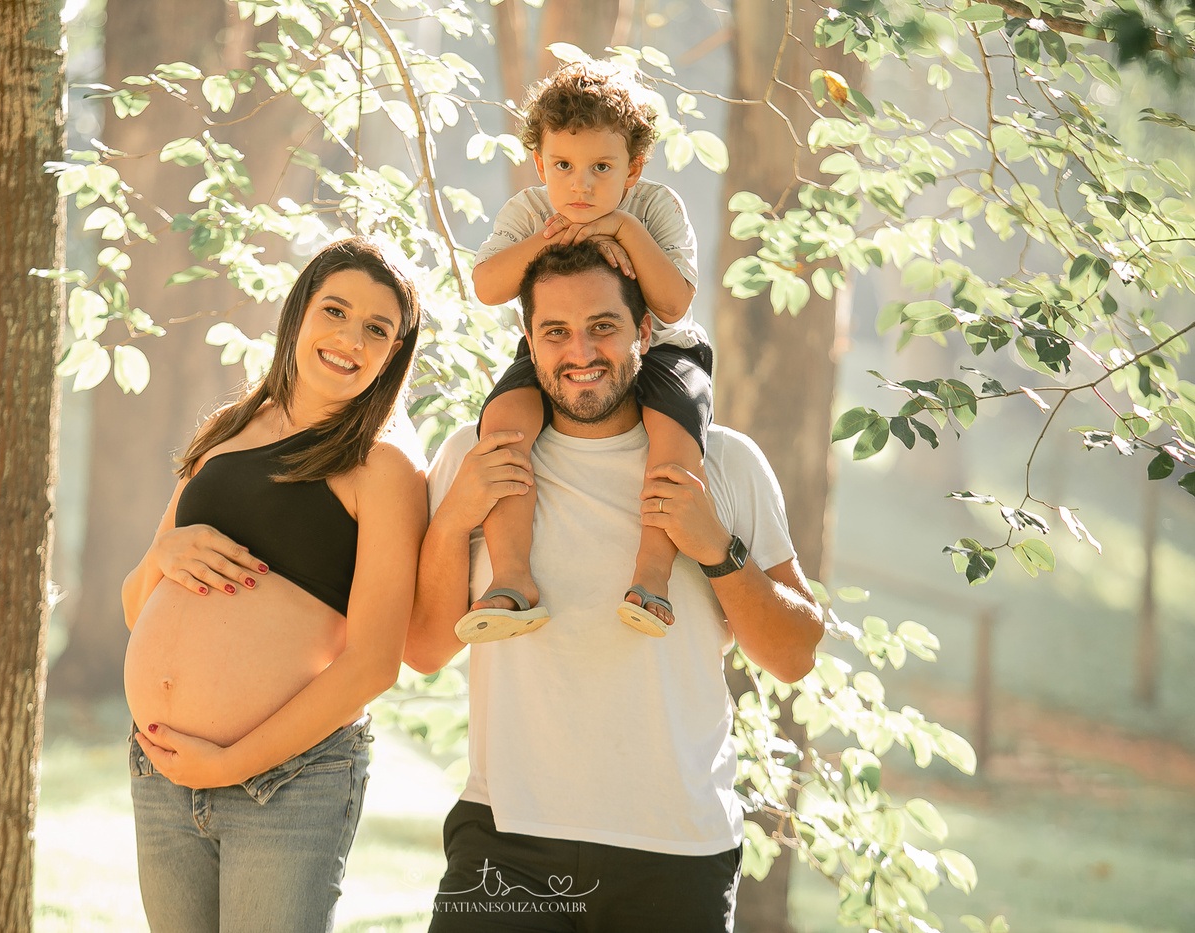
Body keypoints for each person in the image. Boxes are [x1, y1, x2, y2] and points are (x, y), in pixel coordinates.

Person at [406, 241, 824, 931]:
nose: (581, 352)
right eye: (555, 331)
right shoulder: (475, 456)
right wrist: (452, 517)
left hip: (675, 850)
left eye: (603, 326)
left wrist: (715, 548)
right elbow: (422, 650)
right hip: (506, 840)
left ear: (645, 331)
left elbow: (795, 654)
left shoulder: (724, 463)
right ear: (528, 341)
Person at [120, 236, 428, 933]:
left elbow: (375, 663)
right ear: (299, 314)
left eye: (377, 329)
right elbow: (137, 606)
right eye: (335, 311)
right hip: (162, 771)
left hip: (288, 781)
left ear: (394, 352)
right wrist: (165, 551)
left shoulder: (382, 467)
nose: (350, 339)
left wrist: (231, 763)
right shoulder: (226, 430)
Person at [463, 59, 712, 642]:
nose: (582, 185)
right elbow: (488, 287)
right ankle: (511, 577)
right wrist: (543, 241)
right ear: (539, 163)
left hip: (663, 348)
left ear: (633, 168)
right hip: (558, 348)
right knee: (503, 422)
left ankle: (651, 577)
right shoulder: (530, 212)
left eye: (602, 167)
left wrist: (625, 231)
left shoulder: (655, 208)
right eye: (564, 166)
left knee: (673, 439)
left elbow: (673, 304)